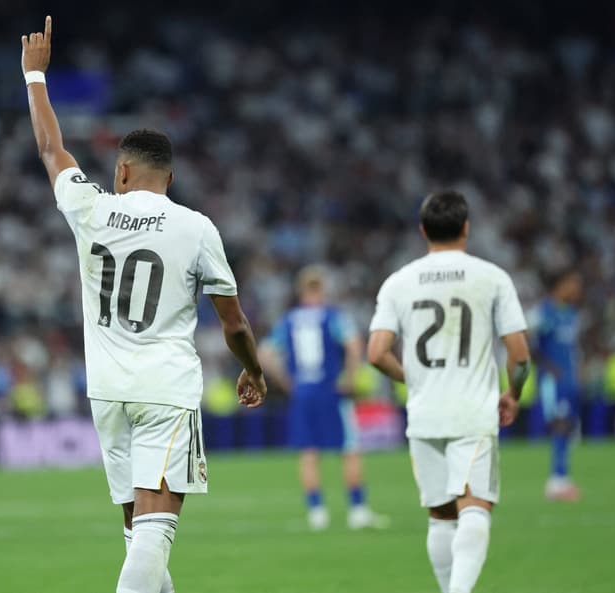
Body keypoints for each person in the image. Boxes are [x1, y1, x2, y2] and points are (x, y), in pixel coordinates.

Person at [21, 17, 267, 593]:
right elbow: (232, 322)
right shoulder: (197, 227)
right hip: (165, 388)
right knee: (156, 534)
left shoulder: (91, 208)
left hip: (107, 390)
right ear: (171, 177)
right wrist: (253, 370)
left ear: (122, 170)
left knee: (139, 535)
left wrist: (35, 74)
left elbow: (49, 147)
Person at [366, 190, 531, 593]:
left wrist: (412, 378)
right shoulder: (491, 278)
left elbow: (376, 353)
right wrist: (513, 392)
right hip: (473, 411)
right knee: (474, 507)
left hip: (425, 413)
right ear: (466, 228)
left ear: (423, 230)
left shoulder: (399, 282)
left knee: (441, 515)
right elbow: (520, 355)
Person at [261, 265, 388, 531]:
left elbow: (266, 353)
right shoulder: (332, 317)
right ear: (322, 289)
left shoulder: (289, 319)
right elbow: (354, 345)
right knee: (349, 449)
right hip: (331, 391)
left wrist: (287, 382)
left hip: (303, 392)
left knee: (309, 454)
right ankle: (357, 510)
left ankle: (317, 513)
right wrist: (350, 377)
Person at [530, 269, 583, 501]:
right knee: (559, 425)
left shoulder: (570, 313)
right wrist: (548, 367)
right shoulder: (545, 312)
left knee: (568, 426)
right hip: (553, 381)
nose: (576, 289)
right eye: (572, 283)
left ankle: (562, 477)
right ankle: (557, 481)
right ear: (559, 285)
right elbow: (527, 342)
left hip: (569, 380)